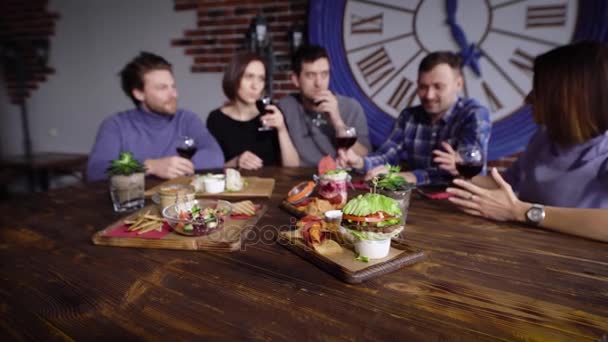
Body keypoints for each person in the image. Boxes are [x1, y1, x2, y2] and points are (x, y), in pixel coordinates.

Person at [444, 41, 608, 242]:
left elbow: (514, 208)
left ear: (569, 99)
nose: (528, 99)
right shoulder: (545, 137)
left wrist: (520, 212)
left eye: (538, 89)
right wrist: (459, 170)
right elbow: (506, 185)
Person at [337, 51, 491, 186]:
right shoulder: (409, 116)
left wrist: (411, 176)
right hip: (417, 203)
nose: (429, 95)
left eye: (438, 87)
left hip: (462, 204)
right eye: (423, 87)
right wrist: (359, 162)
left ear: (459, 84)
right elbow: (387, 156)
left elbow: (473, 175)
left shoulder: (475, 114)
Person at [87, 52, 224, 181]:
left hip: (179, 201)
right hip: (136, 202)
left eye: (173, 86)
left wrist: (174, 166)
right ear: (139, 94)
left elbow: (215, 156)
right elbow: (96, 170)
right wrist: (151, 166)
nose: (174, 95)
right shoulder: (115, 125)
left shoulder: (187, 119)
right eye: (162, 88)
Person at [278, 44, 371, 167]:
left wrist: (337, 121)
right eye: (311, 75)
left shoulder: (351, 107)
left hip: (340, 178)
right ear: (296, 79)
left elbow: (364, 156)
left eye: (324, 74)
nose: (319, 83)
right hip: (299, 179)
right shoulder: (285, 107)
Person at [207, 53, 299, 170]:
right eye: (249, 77)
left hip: (273, 185)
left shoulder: (272, 113)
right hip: (234, 187)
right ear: (234, 78)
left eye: (261, 79)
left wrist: (282, 129)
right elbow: (210, 172)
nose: (255, 86)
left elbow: (293, 167)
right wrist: (236, 162)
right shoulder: (216, 119)